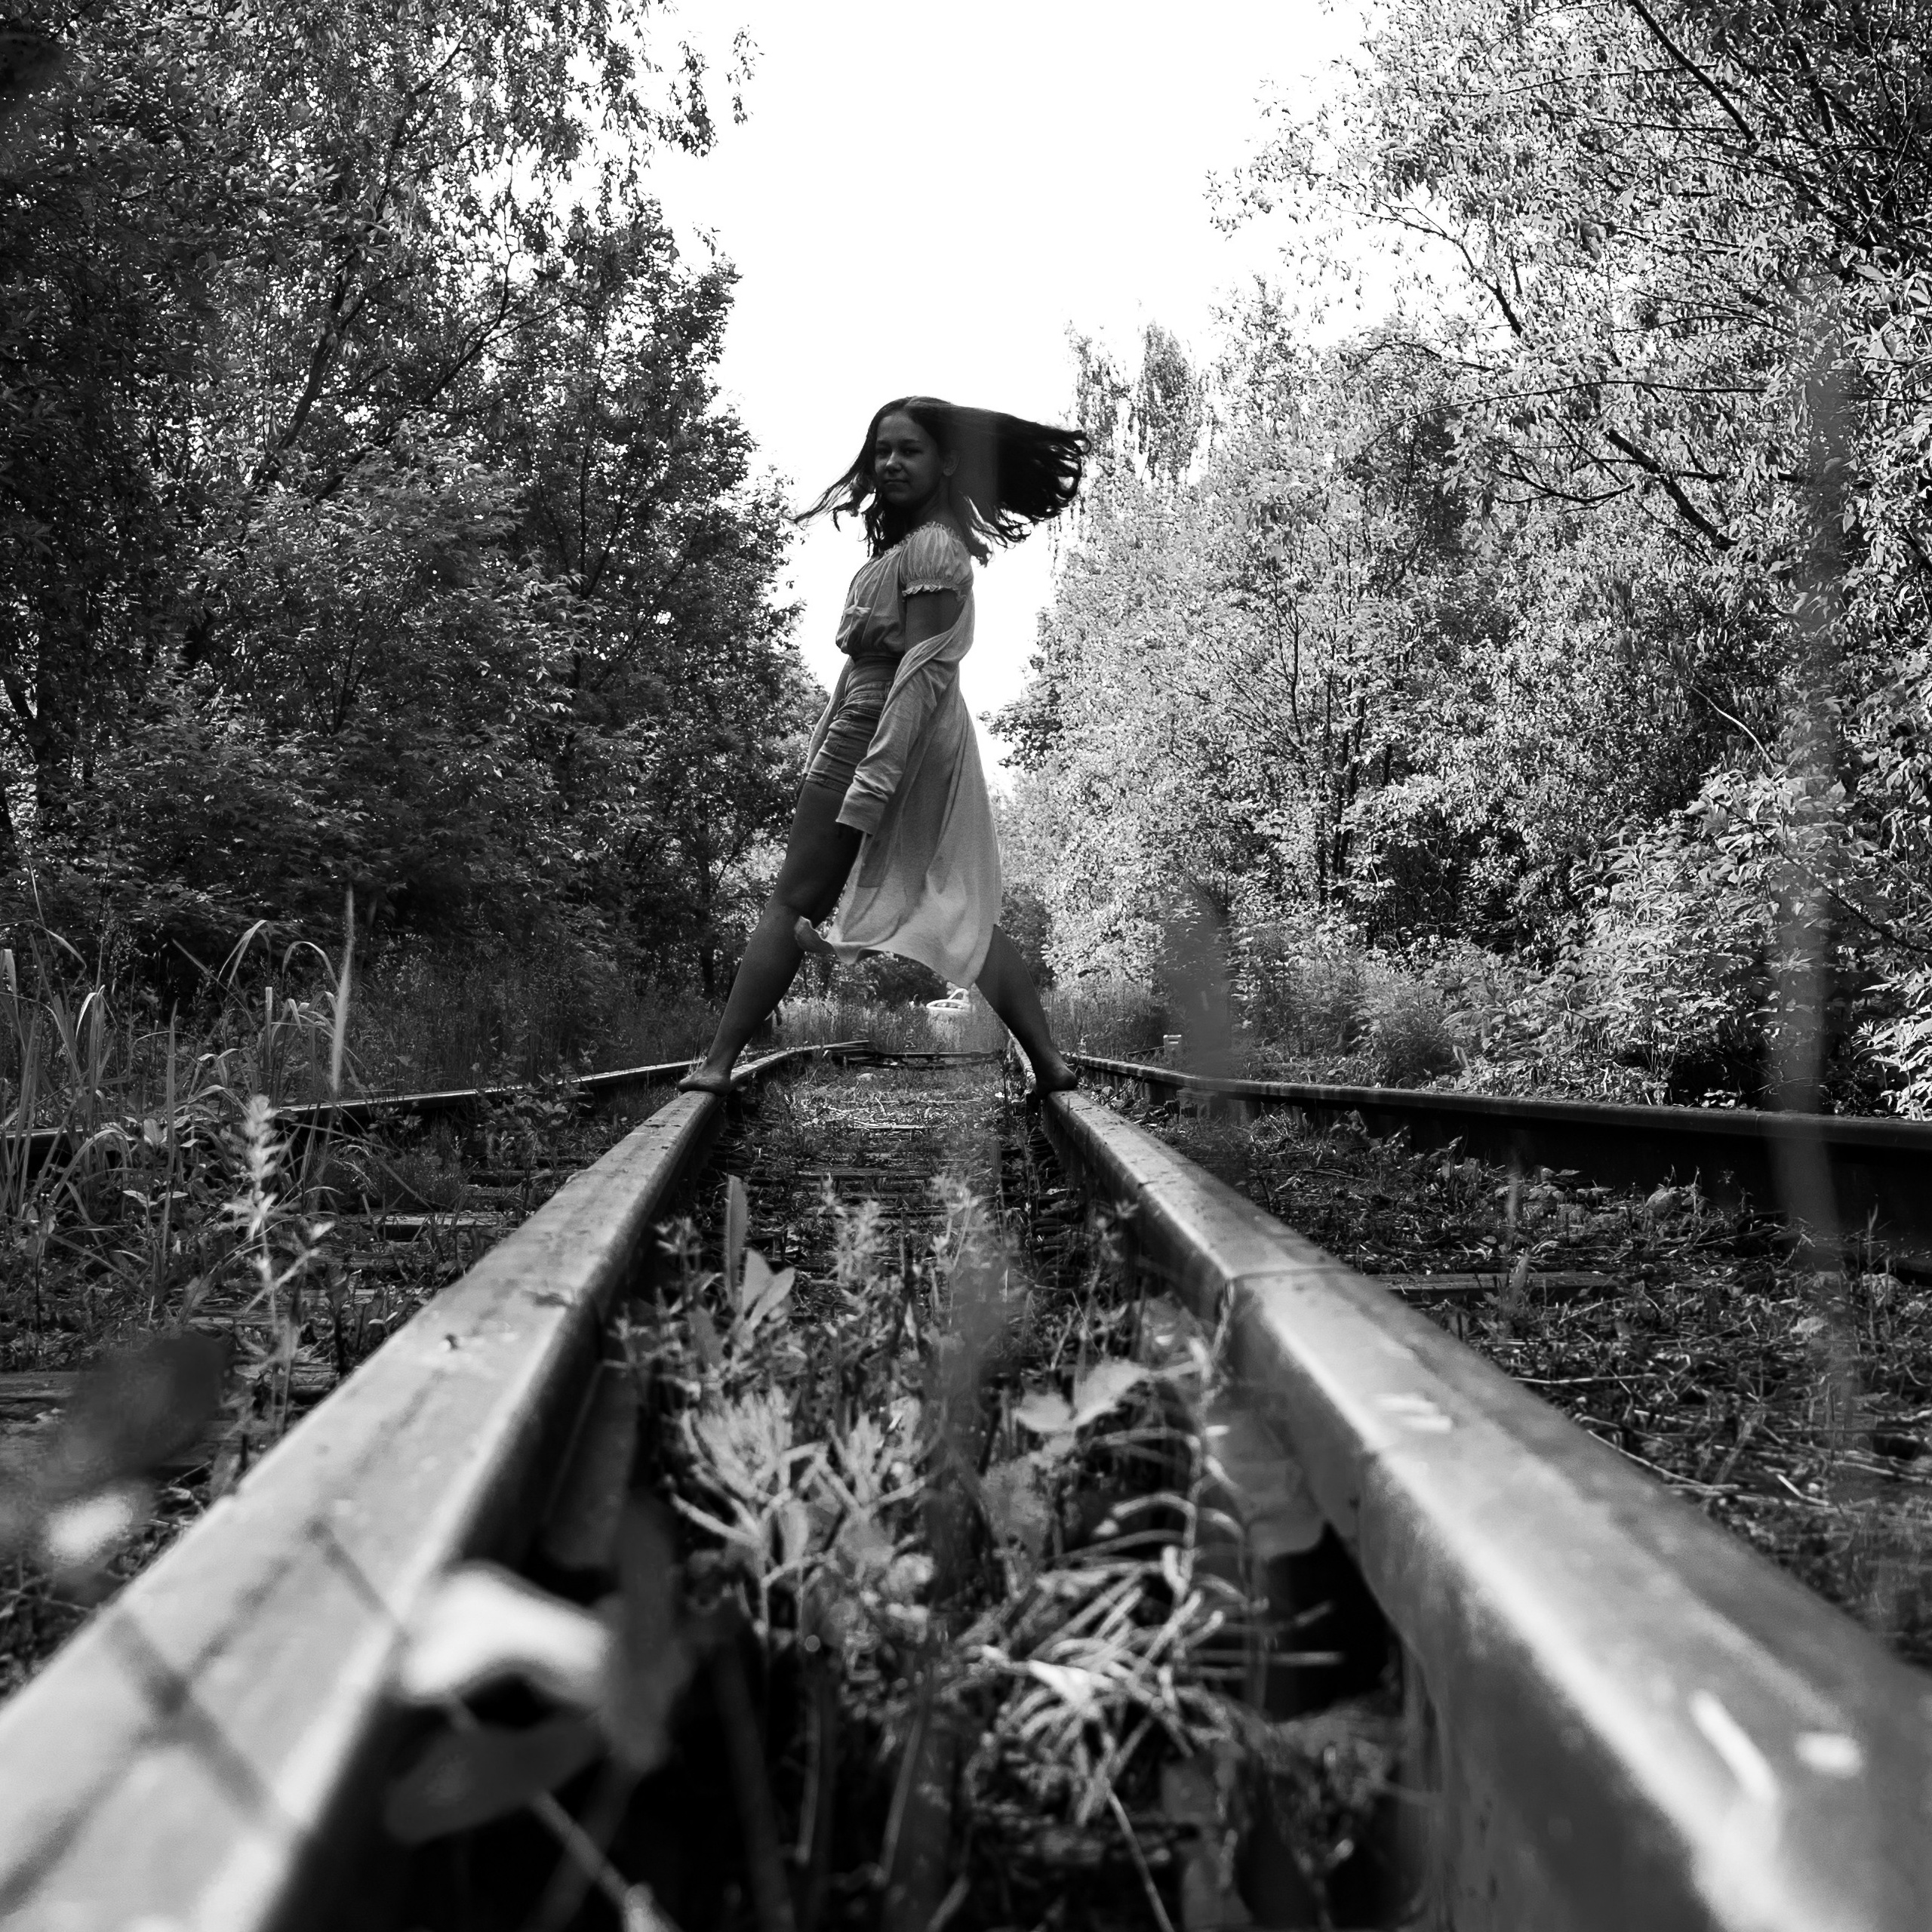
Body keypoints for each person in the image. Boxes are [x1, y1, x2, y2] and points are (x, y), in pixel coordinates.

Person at [678, 396, 1084, 1098]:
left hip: (888, 732)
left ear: (947, 461)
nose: (891, 462)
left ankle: (715, 1064)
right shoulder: (911, 547)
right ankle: (1050, 1063)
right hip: (886, 728)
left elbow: (921, 672)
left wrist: (871, 780)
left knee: (791, 900)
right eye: (882, 450)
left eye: (910, 449)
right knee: (960, 906)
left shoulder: (931, 546)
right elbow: (878, 673)